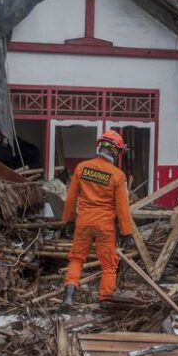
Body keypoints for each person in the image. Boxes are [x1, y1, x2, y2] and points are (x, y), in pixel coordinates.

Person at [59, 130, 135, 311]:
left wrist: (68, 221)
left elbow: (70, 199)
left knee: (77, 259)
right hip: (104, 225)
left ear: (100, 146)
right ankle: (105, 300)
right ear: (116, 151)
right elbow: (122, 208)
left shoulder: (81, 168)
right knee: (109, 265)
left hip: (84, 222)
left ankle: (68, 297)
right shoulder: (117, 175)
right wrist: (127, 233)